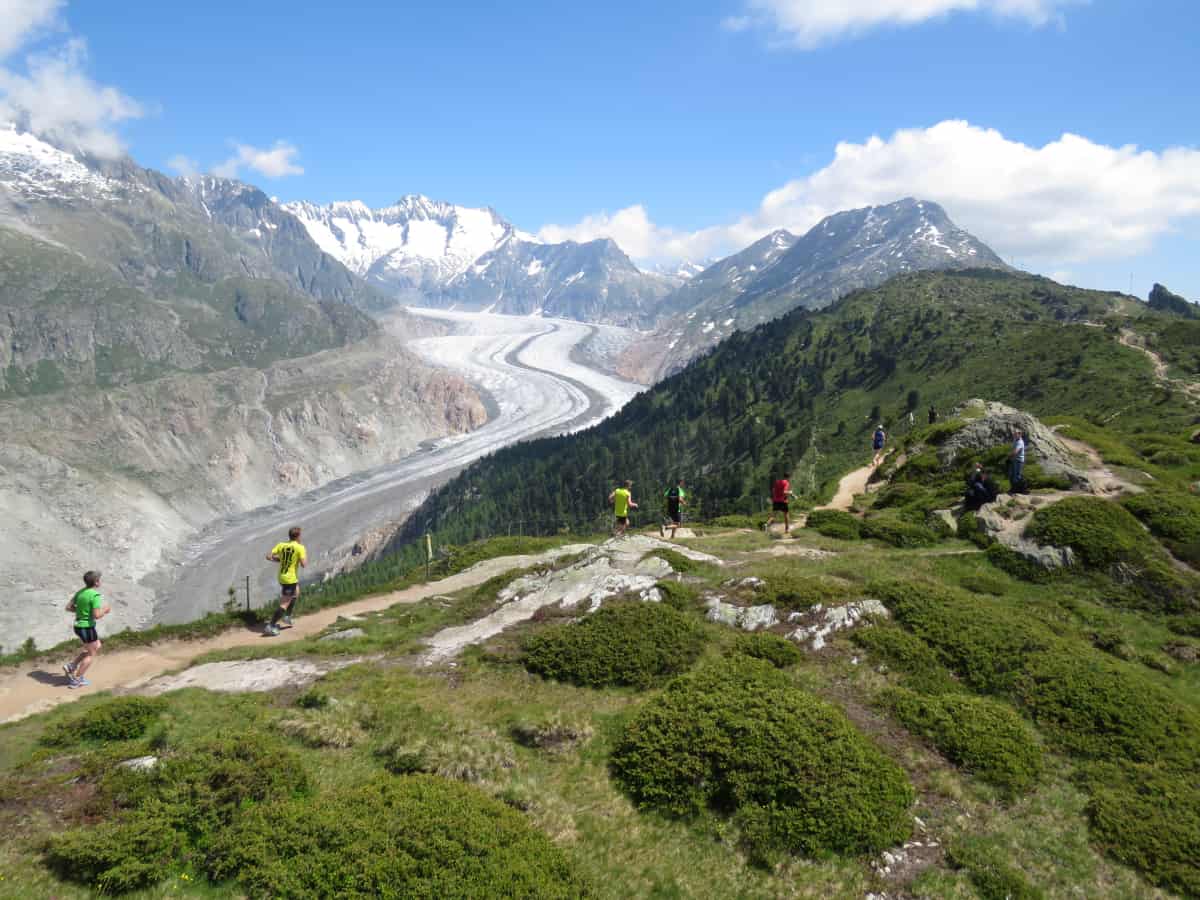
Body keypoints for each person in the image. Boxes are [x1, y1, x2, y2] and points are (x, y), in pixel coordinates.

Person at [62, 570, 111, 689]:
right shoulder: (94, 595)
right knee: (91, 654)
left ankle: (72, 666)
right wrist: (105, 609)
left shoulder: (80, 592)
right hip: (87, 627)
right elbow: (97, 615)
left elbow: (68, 607)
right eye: (99, 579)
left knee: (97, 645)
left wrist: (81, 612)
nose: (100, 581)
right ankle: (77, 680)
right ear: (96, 582)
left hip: (79, 626)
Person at [264, 526, 307, 637]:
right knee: (284, 603)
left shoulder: (281, 545)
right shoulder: (300, 547)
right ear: (298, 536)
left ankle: (287, 616)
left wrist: (280, 559)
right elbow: (304, 564)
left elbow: (268, 556)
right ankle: (271, 626)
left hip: (282, 576)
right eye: (300, 535)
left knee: (296, 593)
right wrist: (299, 559)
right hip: (289, 579)